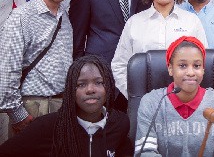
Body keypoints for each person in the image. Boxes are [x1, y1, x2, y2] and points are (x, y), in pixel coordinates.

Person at [0, 55, 133, 157]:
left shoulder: (119, 123)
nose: (90, 89)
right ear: (70, 90)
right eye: (81, 84)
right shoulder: (47, 127)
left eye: (99, 83)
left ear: (109, 86)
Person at [0, 0, 73, 137]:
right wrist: (18, 115)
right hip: (32, 108)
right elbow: (7, 71)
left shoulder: (65, 16)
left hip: (61, 107)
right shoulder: (21, 17)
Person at [111, 0, 208, 100]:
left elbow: (203, 63)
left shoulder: (192, 21)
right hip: (143, 100)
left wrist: (189, 96)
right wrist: (135, 96)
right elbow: (119, 65)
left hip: (184, 101)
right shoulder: (134, 22)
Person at [135, 36, 214, 156]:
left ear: (203, 70)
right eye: (182, 66)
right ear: (170, 69)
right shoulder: (151, 102)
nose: (190, 73)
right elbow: (145, 152)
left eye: (197, 66)